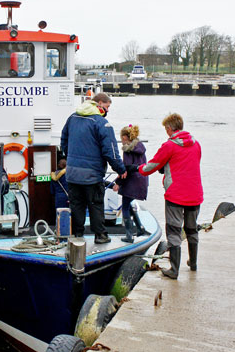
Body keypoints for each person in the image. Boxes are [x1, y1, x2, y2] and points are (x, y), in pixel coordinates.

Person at [137, 113, 203, 279]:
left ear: (169, 128)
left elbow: (153, 165)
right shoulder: (196, 144)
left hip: (176, 194)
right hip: (195, 193)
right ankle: (193, 263)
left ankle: (174, 269)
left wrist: (139, 169)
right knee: (191, 228)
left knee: (173, 231)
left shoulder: (170, 145)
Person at [61, 92, 127, 244]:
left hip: (72, 173)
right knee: (96, 204)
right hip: (92, 175)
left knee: (77, 205)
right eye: (107, 106)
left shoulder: (72, 118)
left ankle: (77, 236)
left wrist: (71, 159)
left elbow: (64, 142)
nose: (108, 110)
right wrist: (121, 169)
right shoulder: (102, 123)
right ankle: (100, 236)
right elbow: (110, 152)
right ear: (99, 104)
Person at [113, 124, 149, 243]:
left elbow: (126, 169)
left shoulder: (128, 149)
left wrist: (118, 182)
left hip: (132, 181)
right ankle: (140, 229)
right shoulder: (139, 147)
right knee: (129, 203)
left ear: (124, 137)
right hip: (141, 180)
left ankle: (129, 235)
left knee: (125, 207)